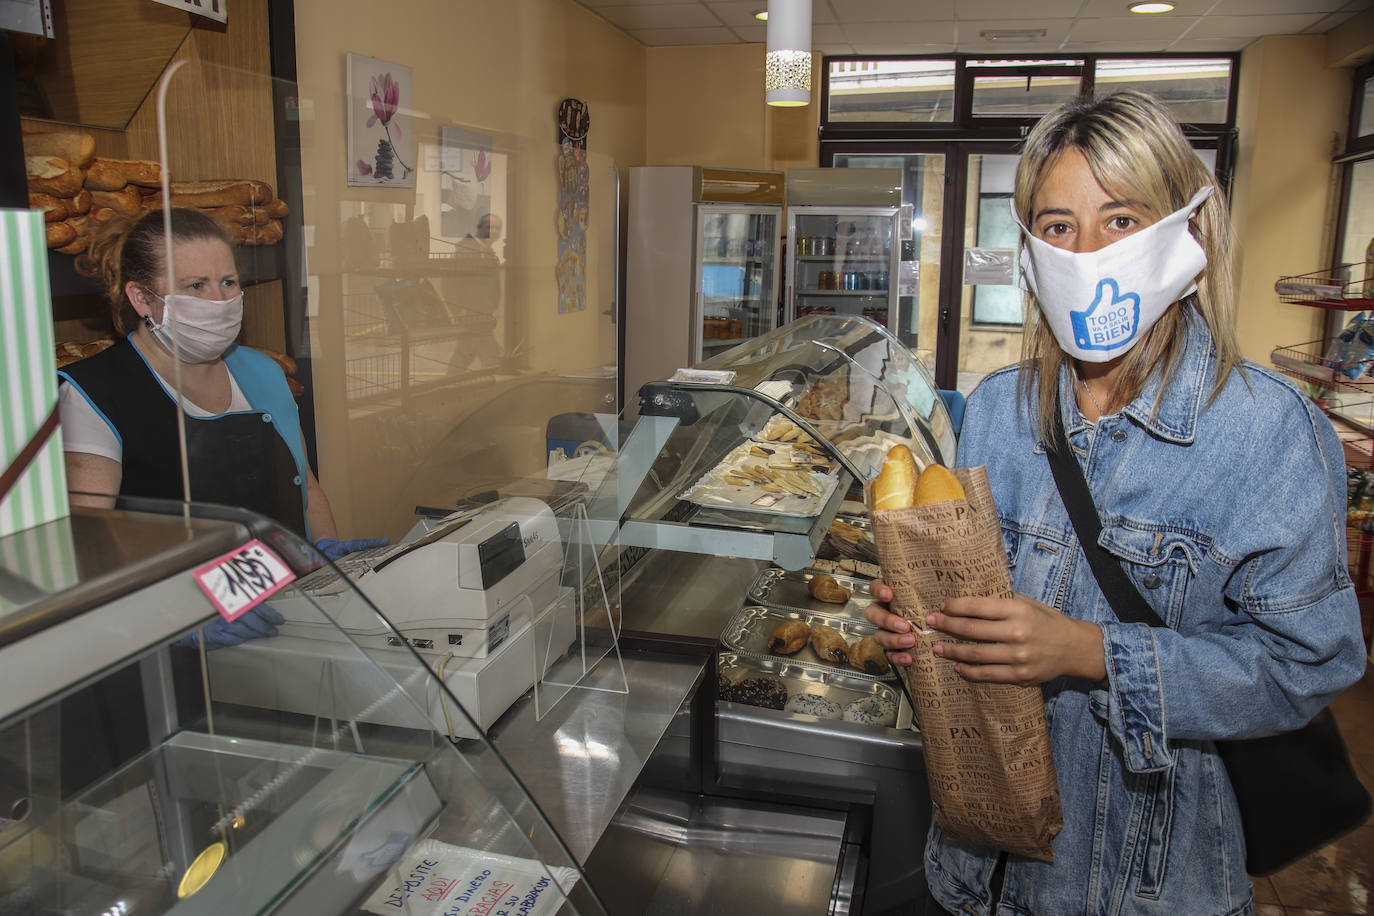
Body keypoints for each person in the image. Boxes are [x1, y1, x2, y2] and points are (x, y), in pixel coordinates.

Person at [864, 91, 1366, 916]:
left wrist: (1093, 652)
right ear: (1029, 249)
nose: (1085, 251)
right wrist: (924, 629)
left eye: (1121, 219)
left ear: (1187, 233)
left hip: (1142, 889)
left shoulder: (1268, 433)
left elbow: (1307, 664)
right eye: (1058, 226)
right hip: (976, 871)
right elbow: (973, 622)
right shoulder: (997, 410)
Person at [59, 209, 385, 605]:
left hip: (289, 611)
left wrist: (325, 557)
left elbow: (308, 490)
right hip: (172, 627)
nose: (218, 301)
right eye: (196, 285)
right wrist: (178, 615)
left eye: (227, 282)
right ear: (142, 298)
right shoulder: (94, 392)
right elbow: (87, 549)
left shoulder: (262, 372)